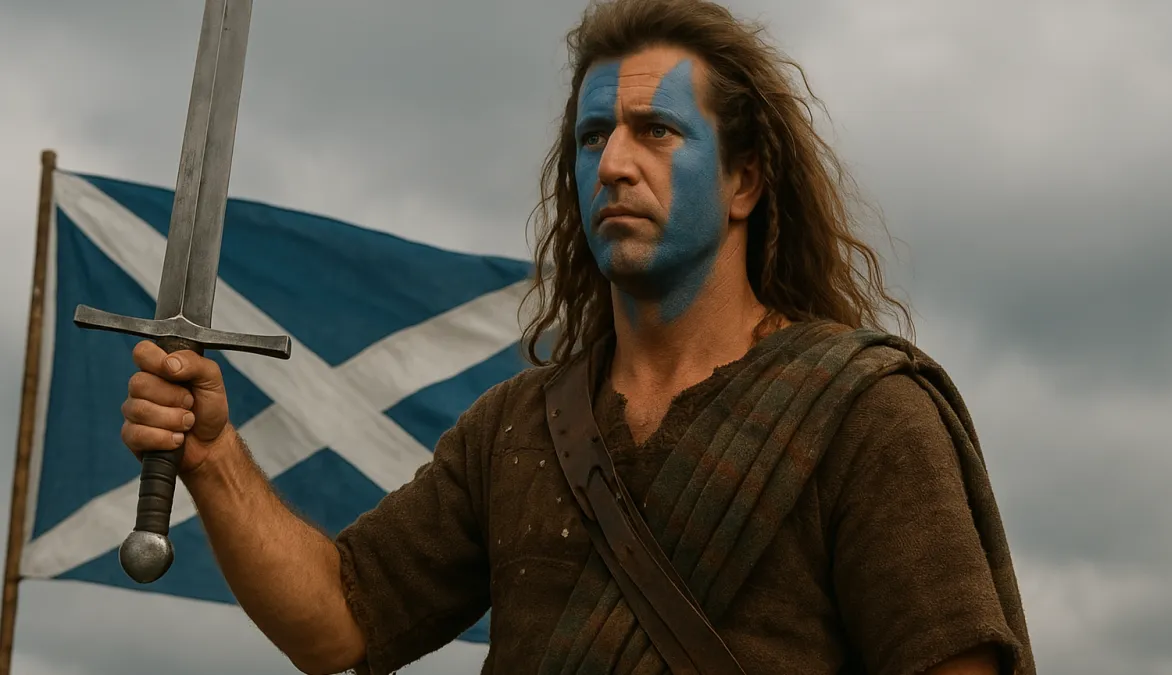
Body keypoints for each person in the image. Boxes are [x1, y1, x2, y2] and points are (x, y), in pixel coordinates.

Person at [118, 0, 1036, 673]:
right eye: (594, 137)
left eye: (657, 131)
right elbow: (337, 618)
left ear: (745, 181)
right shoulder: (516, 428)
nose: (615, 163)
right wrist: (213, 455)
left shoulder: (863, 413)